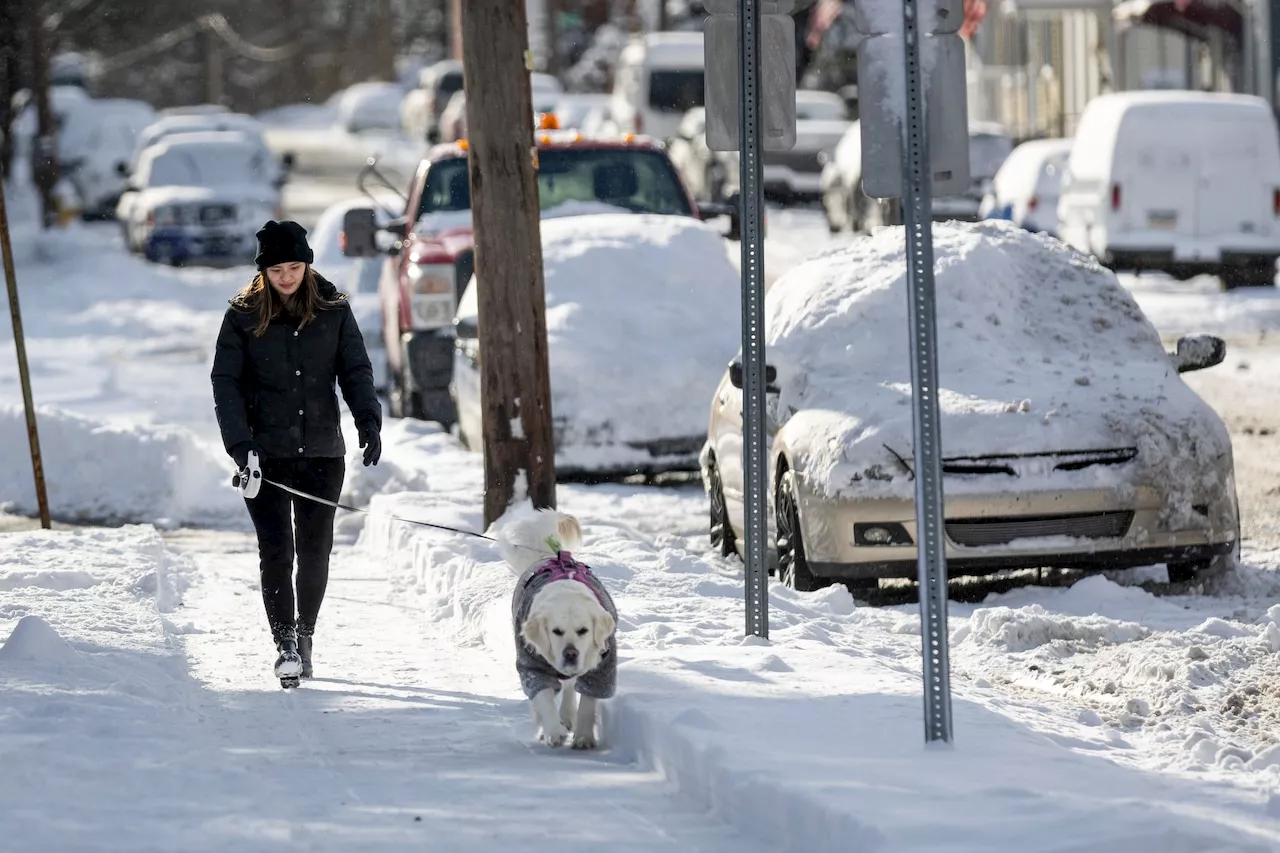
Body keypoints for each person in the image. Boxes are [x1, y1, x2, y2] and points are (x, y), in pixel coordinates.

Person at [211, 220, 382, 684]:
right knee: (277, 552)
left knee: (314, 550)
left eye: (295, 266)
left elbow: (355, 369)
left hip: (323, 453)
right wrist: (240, 446)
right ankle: (284, 641)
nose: (287, 277)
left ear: (307, 264)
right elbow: (225, 384)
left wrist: (368, 419)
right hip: (263, 458)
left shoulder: (333, 310)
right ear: (263, 271)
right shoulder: (242, 317)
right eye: (277, 269)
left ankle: (305, 634)